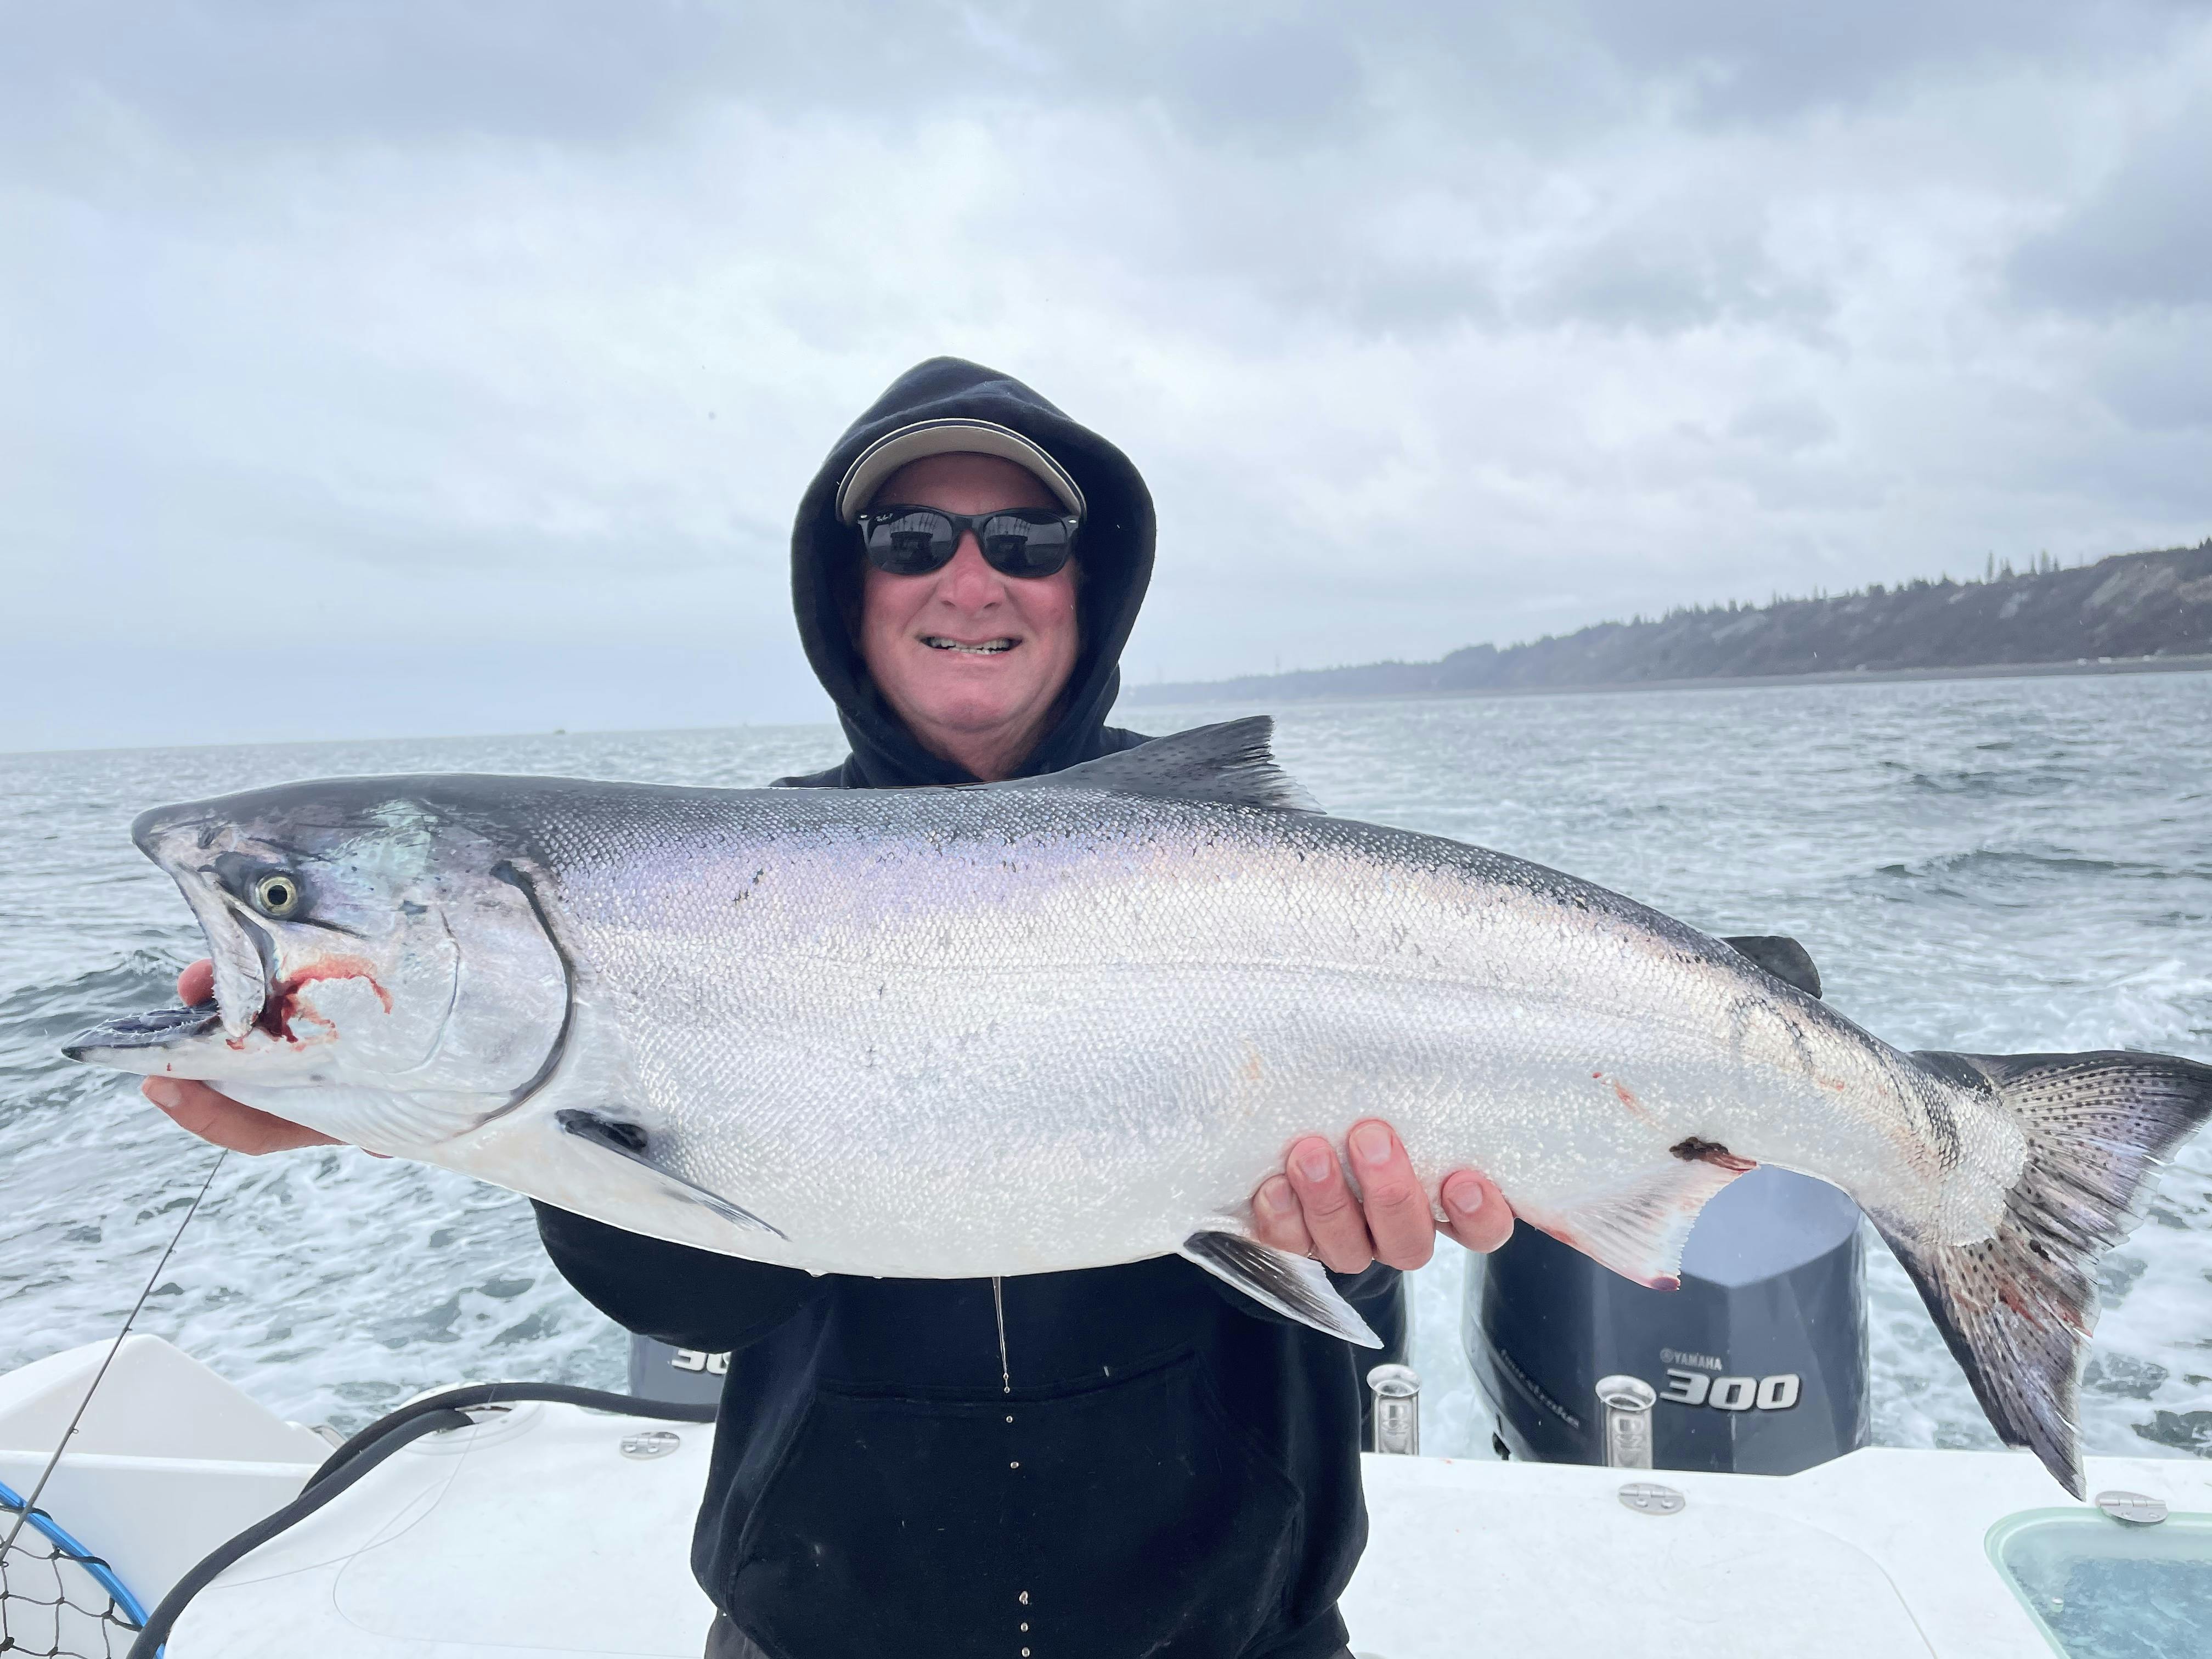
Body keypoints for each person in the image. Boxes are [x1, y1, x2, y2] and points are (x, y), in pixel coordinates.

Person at [143, 358, 1516, 1659]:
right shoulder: (722, 884)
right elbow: (690, 1288)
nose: (970, 578)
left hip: (1234, 1629)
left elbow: (1337, 1248)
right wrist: (400, 1107)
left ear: (1089, 588)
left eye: (1026, 539)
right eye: (912, 538)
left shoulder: (1250, 877)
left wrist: (1358, 1242)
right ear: (845, 592)